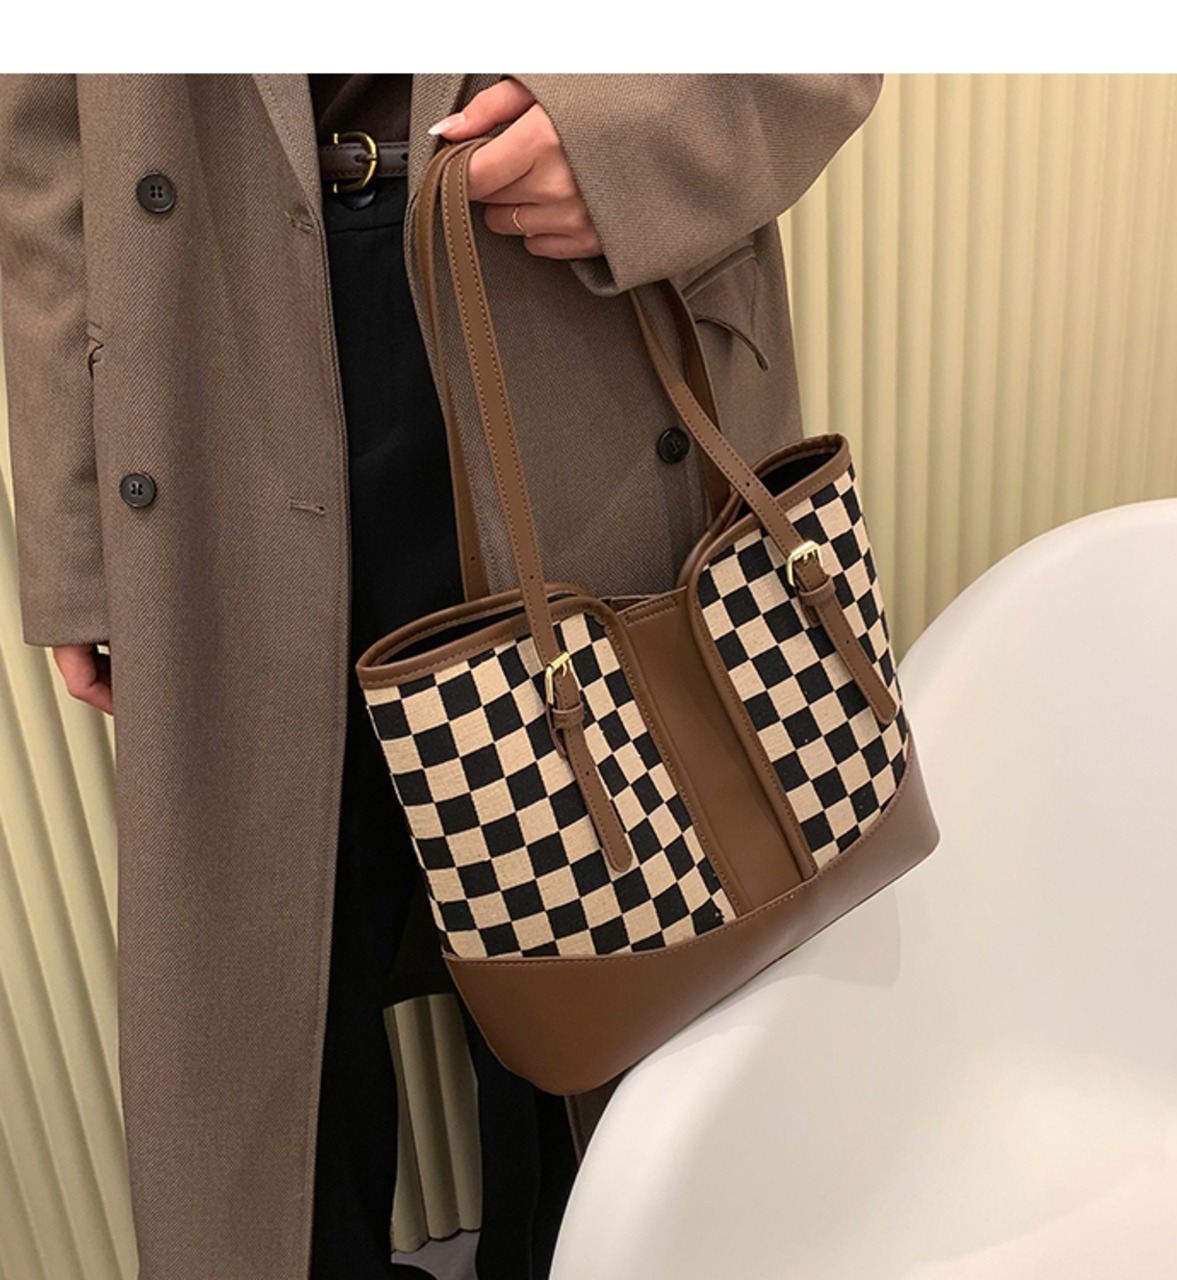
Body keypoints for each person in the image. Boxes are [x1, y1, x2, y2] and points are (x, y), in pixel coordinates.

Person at [0, 73, 885, 1280]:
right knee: (278, 978)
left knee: (616, 918)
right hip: (206, 353)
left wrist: (639, 133)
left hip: (566, 295)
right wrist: (76, 541)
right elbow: (40, 139)